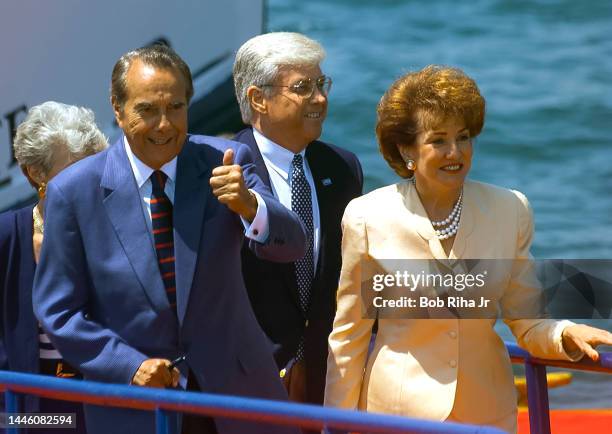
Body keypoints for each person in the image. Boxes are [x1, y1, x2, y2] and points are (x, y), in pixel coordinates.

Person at [32, 44, 305, 434]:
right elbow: (59, 310)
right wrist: (127, 365)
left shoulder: (228, 161)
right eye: (147, 110)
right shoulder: (73, 193)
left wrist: (251, 206)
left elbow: (292, 244)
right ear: (117, 108)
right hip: (136, 408)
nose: (164, 125)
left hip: (239, 397)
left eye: (176, 108)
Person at [323, 65, 612, 433]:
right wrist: (335, 423)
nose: (455, 152)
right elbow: (349, 336)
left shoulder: (510, 209)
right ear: (406, 148)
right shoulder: (368, 217)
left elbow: (526, 318)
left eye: (463, 137)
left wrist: (563, 335)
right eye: (438, 140)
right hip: (396, 415)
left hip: (486, 414)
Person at [232, 32, 363, 405]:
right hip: (245, 382)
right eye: (303, 87)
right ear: (259, 98)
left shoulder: (342, 168)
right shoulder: (220, 167)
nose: (320, 99)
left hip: (326, 377)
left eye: (322, 84)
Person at [0, 101, 108, 433]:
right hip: (27, 413)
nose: (92, 181)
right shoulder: (6, 237)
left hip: (103, 406)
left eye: (96, 166)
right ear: (35, 173)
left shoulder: (116, 229)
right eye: (76, 169)